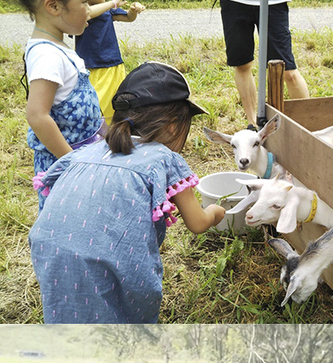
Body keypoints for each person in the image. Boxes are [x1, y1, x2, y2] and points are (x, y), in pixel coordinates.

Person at [28, 62, 226, 323]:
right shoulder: (163, 158)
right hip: (105, 259)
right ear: (172, 125)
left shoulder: (84, 153)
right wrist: (216, 211)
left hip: (48, 249)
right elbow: (198, 223)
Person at [19, 0, 105, 210]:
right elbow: (37, 115)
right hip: (66, 165)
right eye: (84, 2)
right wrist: (72, 163)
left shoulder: (57, 47)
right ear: (54, 7)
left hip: (83, 155)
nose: (89, 8)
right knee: (68, 219)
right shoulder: (47, 56)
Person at [219, 0, 309, 125]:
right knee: (243, 65)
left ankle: (308, 124)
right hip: (235, 3)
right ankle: (253, 125)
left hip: (273, 3)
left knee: (288, 71)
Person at [73, 0, 145, 125]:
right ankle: (91, 130)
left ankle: (110, 130)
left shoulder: (108, 8)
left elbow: (128, 17)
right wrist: (113, 3)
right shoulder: (80, 9)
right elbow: (88, 13)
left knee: (113, 103)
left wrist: (133, 10)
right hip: (88, 65)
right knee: (91, 103)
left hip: (111, 63)